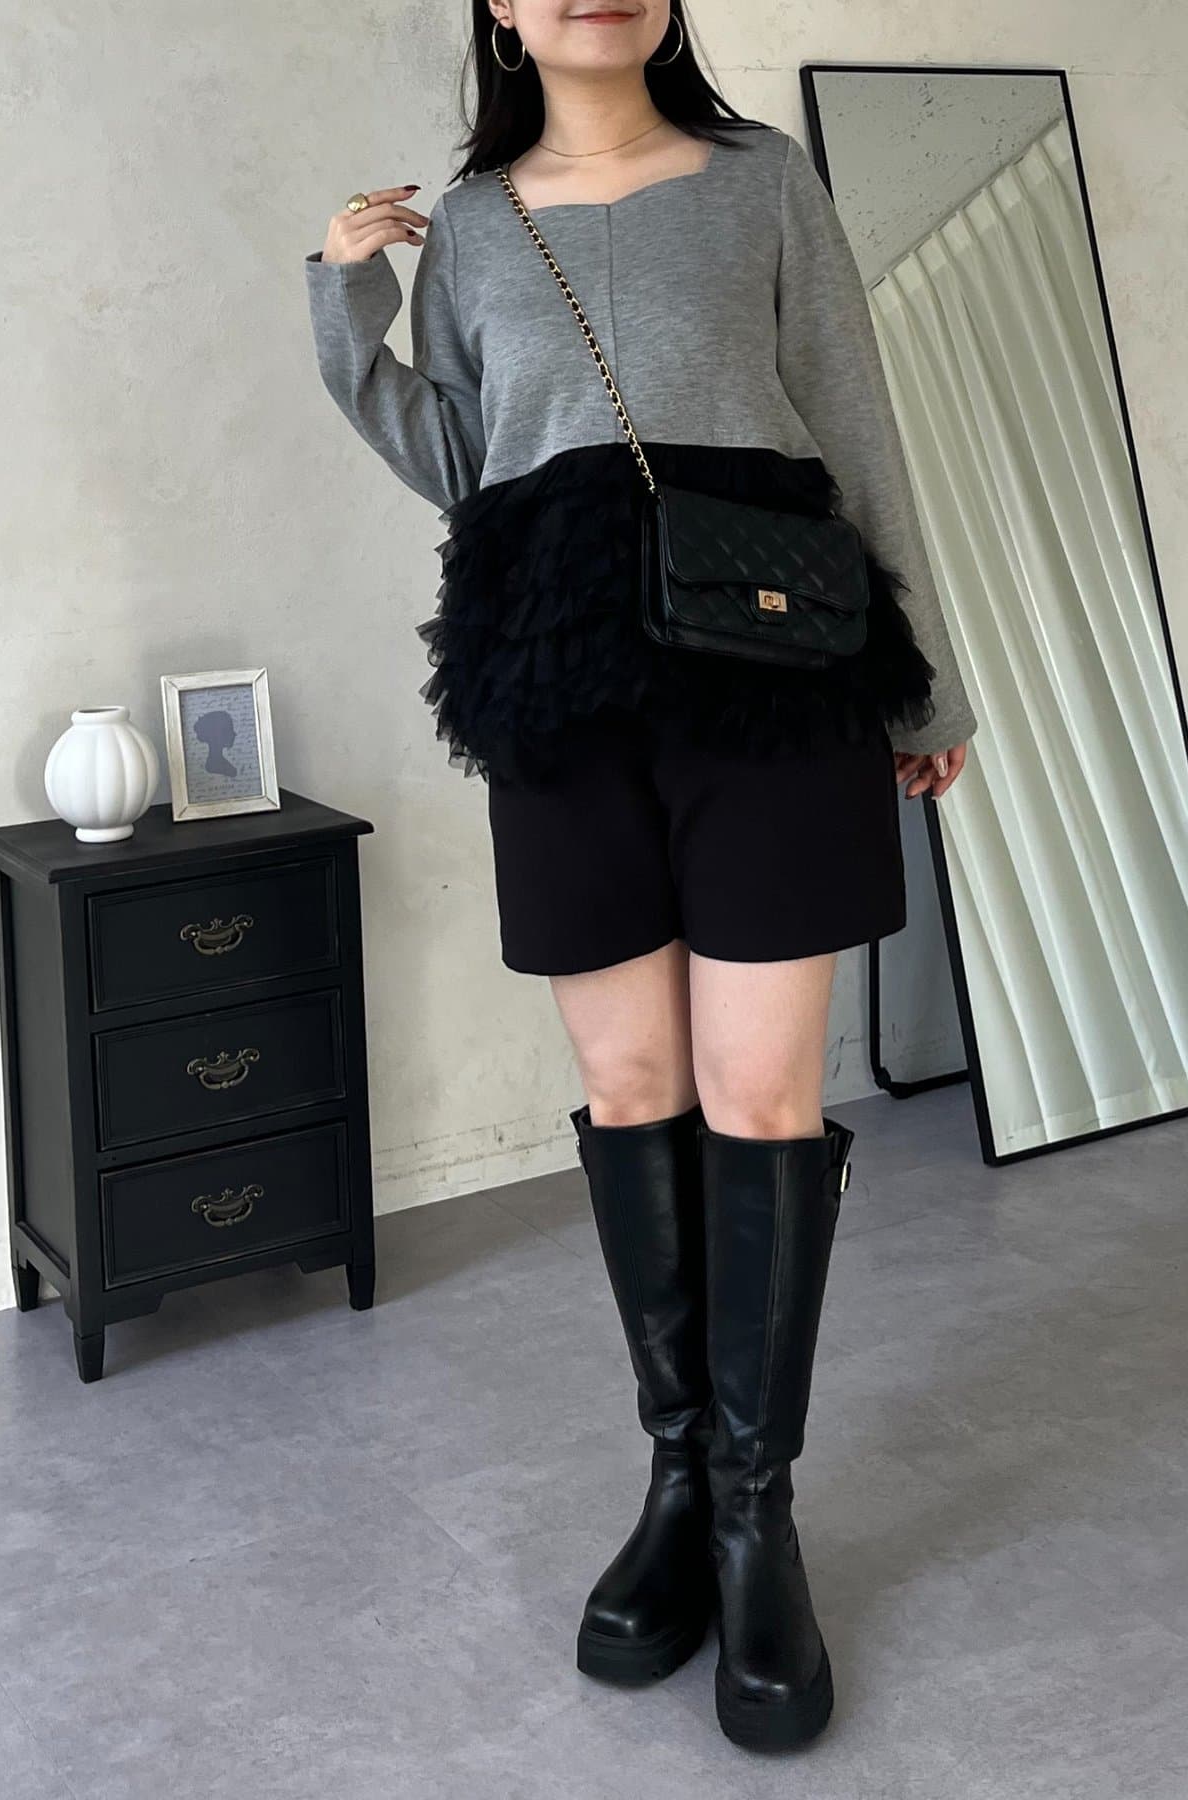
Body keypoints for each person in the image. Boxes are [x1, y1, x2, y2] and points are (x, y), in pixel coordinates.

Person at [304, 0, 977, 1754]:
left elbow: (858, 422)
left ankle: (758, 1517)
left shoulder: (764, 183)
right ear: (501, 11)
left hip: (771, 672)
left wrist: (926, 682)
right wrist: (346, 297)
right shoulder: (470, 225)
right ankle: (681, 1477)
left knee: (762, 1096)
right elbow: (464, 462)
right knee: (630, 1088)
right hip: (557, 681)